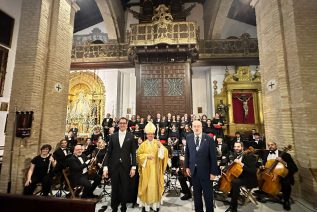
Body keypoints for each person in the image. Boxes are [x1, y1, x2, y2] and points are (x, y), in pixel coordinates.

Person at [103, 117, 137, 212]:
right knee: (114, 188)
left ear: (127, 125)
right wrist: (105, 167)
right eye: (121, 123)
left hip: (126, 166)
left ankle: (123, 208)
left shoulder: (131, 136)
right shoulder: (113, 136)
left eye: (124, 123)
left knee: (124, 188)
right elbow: (108, 153)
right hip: (114, 166)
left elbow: (133, 153)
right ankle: (114, 208)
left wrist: (133, 167)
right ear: (118, 124)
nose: (122, 125)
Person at [185, 120, 218, 212]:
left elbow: (213, 157)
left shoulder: (209, 138)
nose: (196, 128)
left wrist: (213, 172)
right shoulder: (189, 137)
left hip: (206, 173)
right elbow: (187, 153)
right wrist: (187, 167)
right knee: (196, 195)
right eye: (194, 126)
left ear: (201, 127)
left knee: (208, 196)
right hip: (194, 172)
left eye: (198, 126)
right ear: (191, 127)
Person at [137, 122, 168, 212]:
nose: (150, 135)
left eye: (152, 134)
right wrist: (146, 156)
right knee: (146, 186)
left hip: (155, 169)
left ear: (154, 134)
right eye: (148, 134)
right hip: (146, 168)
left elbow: (165, 153)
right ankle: (145, 205)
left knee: (154, 186)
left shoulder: (157, 143)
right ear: (146, 135)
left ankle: (155, 206)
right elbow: (138, 156)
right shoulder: (143, 144)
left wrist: (160, 148)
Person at [259, 141, 298, 211]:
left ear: (276, 145)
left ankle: (286, 200)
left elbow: (294, 168)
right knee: (260, 176)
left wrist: (283, 162)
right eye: (269, 145)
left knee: (286, 183)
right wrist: (261, 166)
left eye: (272, 145)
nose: (270, 146)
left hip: (282, 175)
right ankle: (262, 191)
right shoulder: (265, 153)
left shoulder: (285, 155)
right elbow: (260, 162)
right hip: (269, 173)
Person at [225, 142, 258, 212]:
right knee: (231, 179)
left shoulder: (250, 156)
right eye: (235, 146)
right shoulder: (235, 155)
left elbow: (252, 171)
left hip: (249, 178)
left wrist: (241, 164)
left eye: (238, 146)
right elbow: (233, 166)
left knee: (234, 182)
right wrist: (226, 168)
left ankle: (233, 207)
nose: (236, 148)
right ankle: (232, 194)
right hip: (240, 176)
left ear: (242, 147)